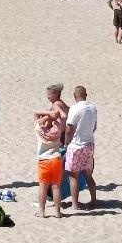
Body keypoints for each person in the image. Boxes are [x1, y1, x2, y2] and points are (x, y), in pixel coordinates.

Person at [33, 84, 68, 218]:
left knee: (43, 187)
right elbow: (61, 117)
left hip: (44, 160)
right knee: (56, 187)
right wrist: (54, 115)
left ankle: (42, 211)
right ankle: (58, 212)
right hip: (56, 158)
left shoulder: (38, 129)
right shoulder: (57, 130)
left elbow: (35, 113)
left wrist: (48, 114)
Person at [64, 86, 98, 210]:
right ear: (86, 95)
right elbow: (94, 127)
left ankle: (75, 204)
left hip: (76, 145)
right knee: (88, 174)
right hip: (89, 144)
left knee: (73, 176)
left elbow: (69, 129)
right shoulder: (93, 107)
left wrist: (66, 144)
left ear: (74, 96)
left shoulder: (75, 108)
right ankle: (94, 200)